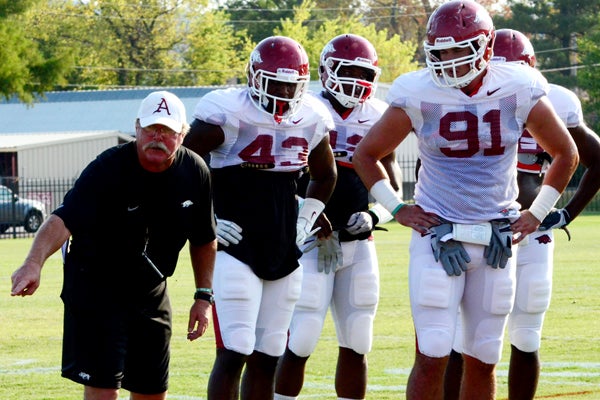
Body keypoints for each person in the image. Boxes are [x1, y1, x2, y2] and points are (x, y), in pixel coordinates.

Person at [352, 1, 579, 398]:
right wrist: (398, 208)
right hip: (437, 232)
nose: (450, 61)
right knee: (434, 349)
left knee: (485, 353)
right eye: (441, 52)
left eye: (460, 49)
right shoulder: (419, 91)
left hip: (496, 232)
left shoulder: (518, 87)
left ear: (486, 46)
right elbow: (365, 154)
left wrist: (536, 213)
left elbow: (567, 153)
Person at [10, 90, 217, 400]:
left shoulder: (195, 171)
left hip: (150, 288)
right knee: (104, 391)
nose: (156, 137)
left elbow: (204, 239)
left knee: (152, 391)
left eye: (167, 130)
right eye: (150, 128)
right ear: (136, 128)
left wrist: (203, 295)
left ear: (182, 134)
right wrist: (33, 263)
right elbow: (63, 219)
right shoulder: (108, 167)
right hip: (98, 287)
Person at [442, 28, 600, 400]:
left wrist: (564, 214)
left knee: (525, 336)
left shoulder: (554, 101)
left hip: (531, 231)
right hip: (478, 226)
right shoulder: (458, 95)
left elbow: (593, 158)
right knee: (464, 339)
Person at [182, 35, 337, 400]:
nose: (283, 90)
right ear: (253, 77)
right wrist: (208, 218)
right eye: (275, 81)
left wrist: (308, 216)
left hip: (284, 246)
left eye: (290, 83)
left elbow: (326, 174)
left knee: (269, 355)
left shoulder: (311, 117)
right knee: (235, 350)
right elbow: (183, 166)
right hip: (236, 247)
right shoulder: (229, 113)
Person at [274, 33, 402, 400]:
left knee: (359, 336)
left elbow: (392, 187)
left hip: (360, 245)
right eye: (349, 71)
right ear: (327, 71)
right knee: (302, 335)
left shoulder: (379, 115)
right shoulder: (306, 107)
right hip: (312, 241)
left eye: (364, 73)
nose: (357, 81)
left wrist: (376, 215)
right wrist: (306, 213)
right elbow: (285, 174)